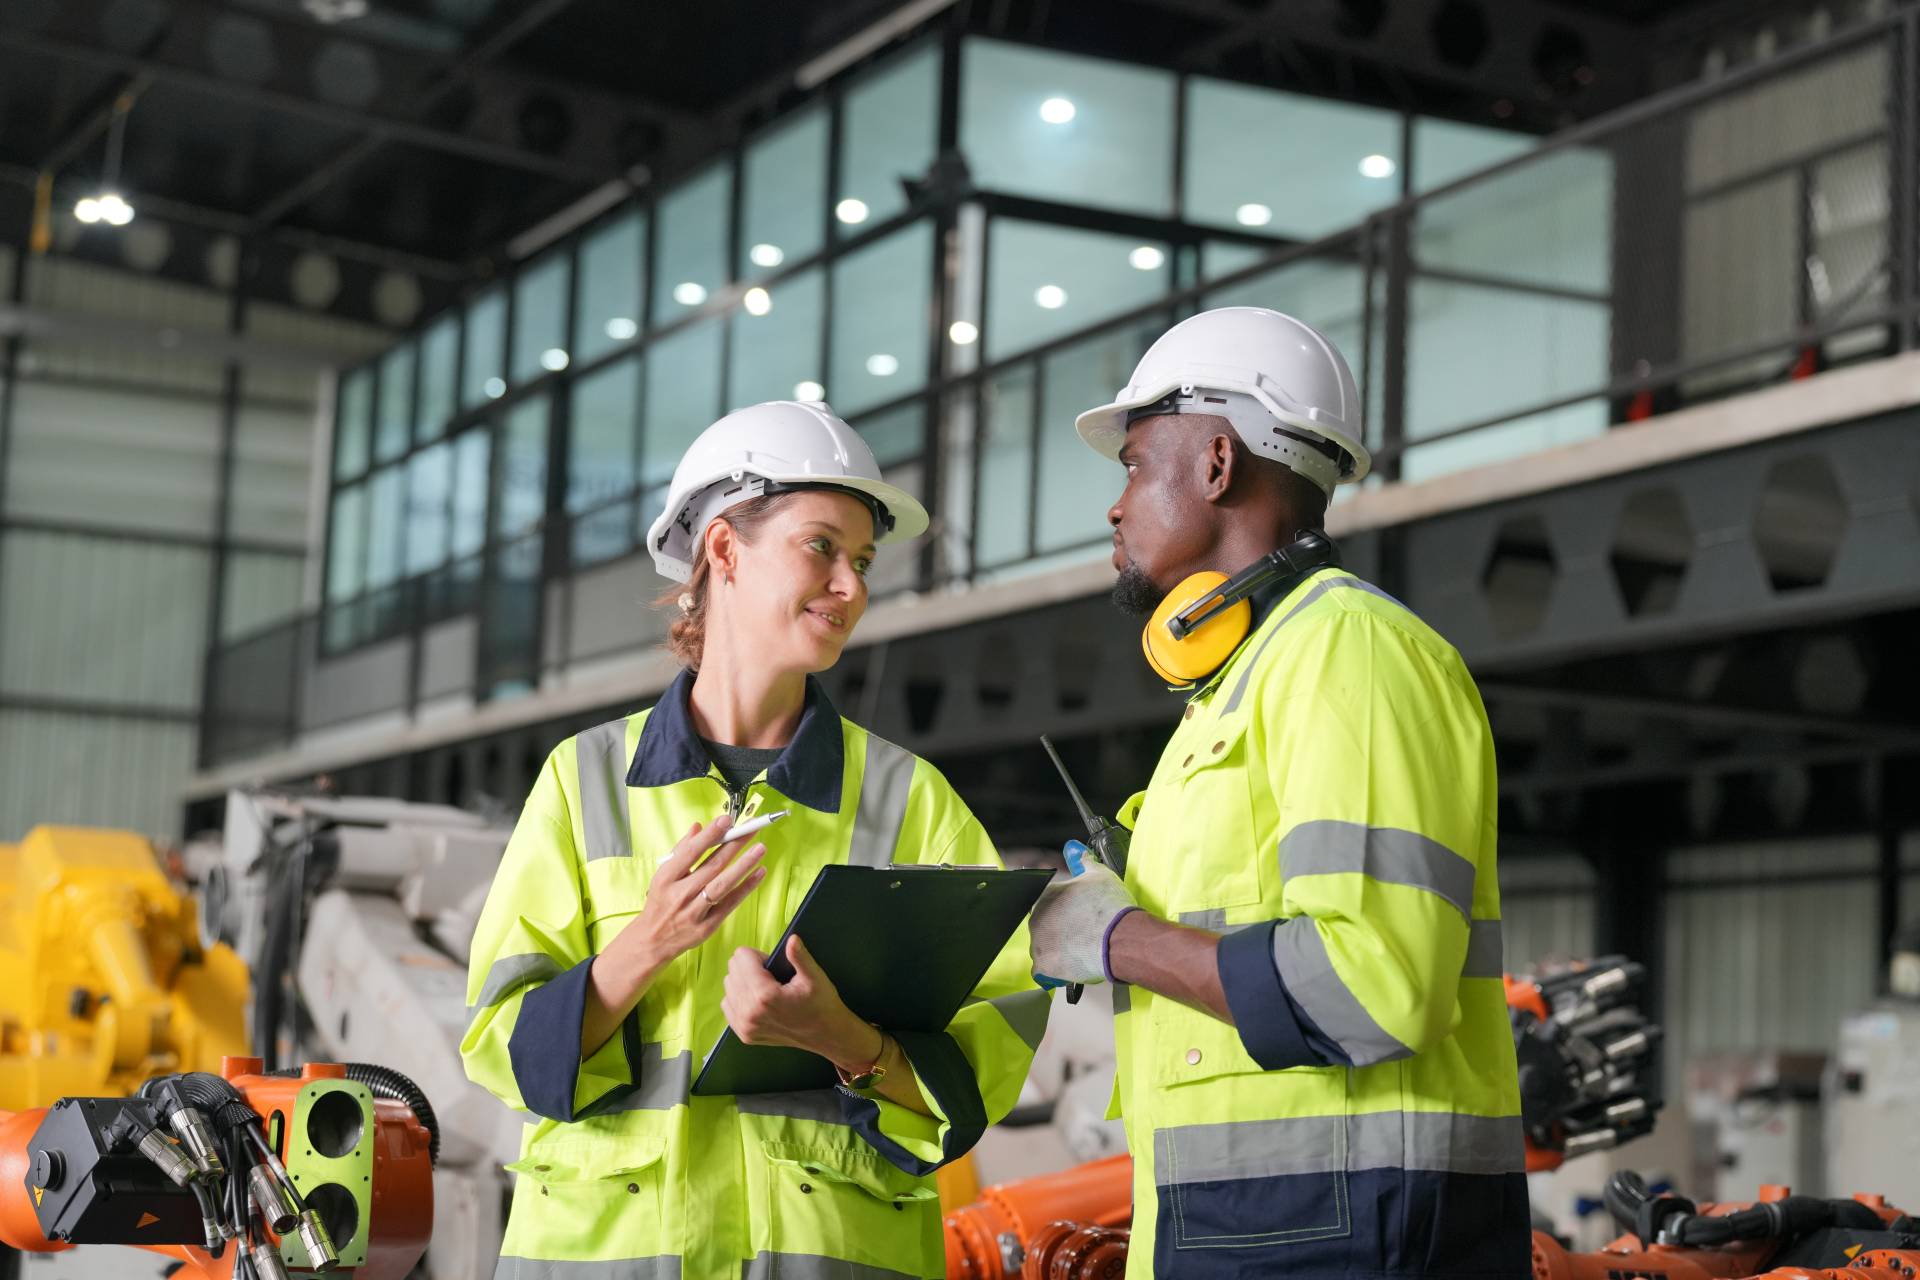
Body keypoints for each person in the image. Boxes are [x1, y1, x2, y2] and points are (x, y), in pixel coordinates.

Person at [462, 400, 1048, 1280]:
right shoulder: (582, 782)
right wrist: (649, 940)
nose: (850, 586)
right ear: (725, 550)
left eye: (862, 561)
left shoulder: (909, 801)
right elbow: (504, 1047)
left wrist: (845, 1041)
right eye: (821, 547)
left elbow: (980, 1073)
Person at [1027, 307, 1531, 1278]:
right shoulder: (1238, 690)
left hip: (1350, 1239)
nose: (1115, 505)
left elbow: (1369, 984)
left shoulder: (1349, 650)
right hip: (1256, 1233)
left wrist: (1118, 938)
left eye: (1135, 463)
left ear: (1217, 462)